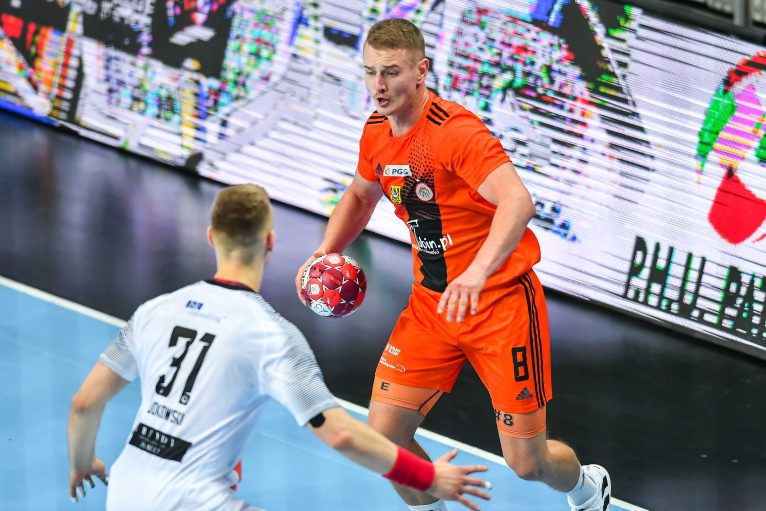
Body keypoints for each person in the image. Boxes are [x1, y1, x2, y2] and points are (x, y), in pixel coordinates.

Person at [294, 18, 611, 511]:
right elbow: (360, 195)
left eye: (391, 72)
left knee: (529, 464)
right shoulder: (376, 131)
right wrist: (325, 249)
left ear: (421, 70)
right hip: (431, 307)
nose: (379, 85)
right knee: (385, 438)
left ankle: (586, 486)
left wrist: (477, 273)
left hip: (500, 306)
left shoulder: (455, 132)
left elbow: (518, 202)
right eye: (370, 71)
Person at [67, 184, 493, 511]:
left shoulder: (154, 311)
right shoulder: (272, 335)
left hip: (125, 494)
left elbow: (84, 404)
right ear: (270, 242)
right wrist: (427, 477)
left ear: (211, 236)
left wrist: (83, 463)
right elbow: (341, 434)